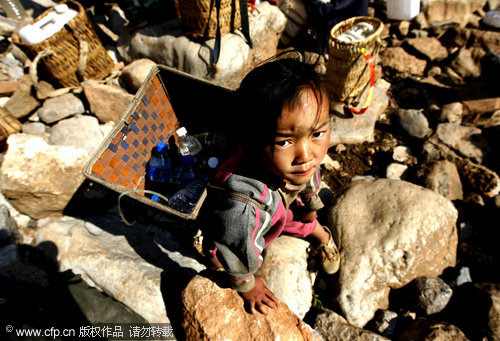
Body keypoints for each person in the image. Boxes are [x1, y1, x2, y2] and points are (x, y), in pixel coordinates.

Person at [201, 54, 340, 315]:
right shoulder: (245, 202)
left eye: (317, 134)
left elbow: (310, 178)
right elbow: (234, 244)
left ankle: (323, 237)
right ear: (253, 141)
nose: (306, 155)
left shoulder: (300, 162)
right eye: (285, 141)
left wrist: (311, 204)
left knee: (308, 222)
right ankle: (212, 256)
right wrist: (247, 283)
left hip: (283, 204)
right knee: (226, 247)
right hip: (267, 212)